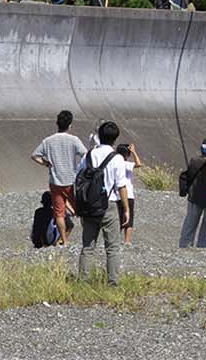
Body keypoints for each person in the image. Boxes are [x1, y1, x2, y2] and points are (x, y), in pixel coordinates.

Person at [73, 121, 132, 285]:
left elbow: (77, 179)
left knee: (88, 246)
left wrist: (76, 204)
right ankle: (113, 282)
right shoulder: (117, 158)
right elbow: (121, 185)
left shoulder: (88, 155)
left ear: (99, 135)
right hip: (109, 205)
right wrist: (126, 209)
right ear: (115, 138)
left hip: (88, 205)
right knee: (112, 247)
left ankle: (83, 281)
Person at [30, 110, 87, 247]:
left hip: (55, 181)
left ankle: (64, 241)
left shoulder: (48, 141)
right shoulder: (73, 140)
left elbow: (35, 155)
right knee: (81, 209)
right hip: (71, 179)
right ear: (70, 125)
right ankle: (87, 237)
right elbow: (85, 155)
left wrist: (46, 164)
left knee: (59, 212)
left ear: (57, 123)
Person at [178, 142, 206, 248]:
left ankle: (185, 244)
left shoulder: (195, 161)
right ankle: (204, 246)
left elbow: (188, 175)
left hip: (194, 196)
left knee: (190, 223)